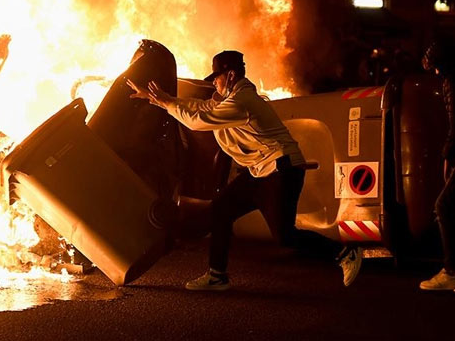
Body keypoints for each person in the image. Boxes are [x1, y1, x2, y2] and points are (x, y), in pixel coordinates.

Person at [127, 50, 362, 291]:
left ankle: (345, 252)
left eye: (216, 78)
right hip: (259, 172)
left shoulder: (242, 102)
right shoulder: (230, 98)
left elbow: (200, 119)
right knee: (220, 210)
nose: (214, 84)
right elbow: (200, 106)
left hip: (280, 171)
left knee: (285, 236)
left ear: (230, 75)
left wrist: (167, 102)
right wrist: (161, 99)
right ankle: (217, 276)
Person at [420, 37, 455, 291]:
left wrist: (447, 156)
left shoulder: (451, 82)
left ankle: (451, 272)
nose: (435, 72)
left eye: (435, 66)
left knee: (444, 206)